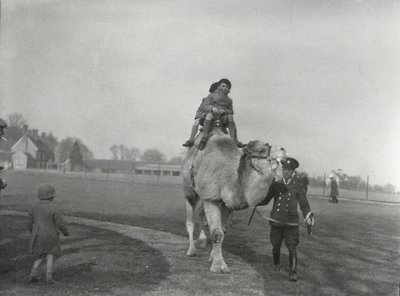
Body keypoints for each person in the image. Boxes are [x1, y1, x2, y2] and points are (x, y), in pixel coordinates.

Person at [258, 157, 314, 282]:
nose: (286, 172)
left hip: (291, 223)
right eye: (284, 170)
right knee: (275, 246)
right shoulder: (276, 185)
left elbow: (304, 205)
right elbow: (266, 199)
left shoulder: (298, 186)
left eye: (289, 170)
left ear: (293, 171)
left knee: (292, 247)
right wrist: (255, 201)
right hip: (276, 221)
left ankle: (293, 272)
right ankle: (276, 265)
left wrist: (307, 215)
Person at [182, 78, 243, 149]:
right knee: (198, 121)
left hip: (220, 118)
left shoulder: (228, 100)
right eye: (215, 91)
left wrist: (224, 111)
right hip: (206, 116)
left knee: (230, 118)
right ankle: (193, 140)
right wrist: (201, 116)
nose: (217, 93)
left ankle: (234, 139)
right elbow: (202, 109)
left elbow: (230, 111)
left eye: (226, 87)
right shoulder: (208, 98)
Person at [28, 184, 70, 284]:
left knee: (40, 255)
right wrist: (66, 232)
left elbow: (29, 222)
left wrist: (33, 233)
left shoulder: (34, 207)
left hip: (37, 234)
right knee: (50, 254)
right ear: (52, 196)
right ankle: (49, 277)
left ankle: (33, 274)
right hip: (50, 234)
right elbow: (60, 224)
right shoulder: (54, 208)